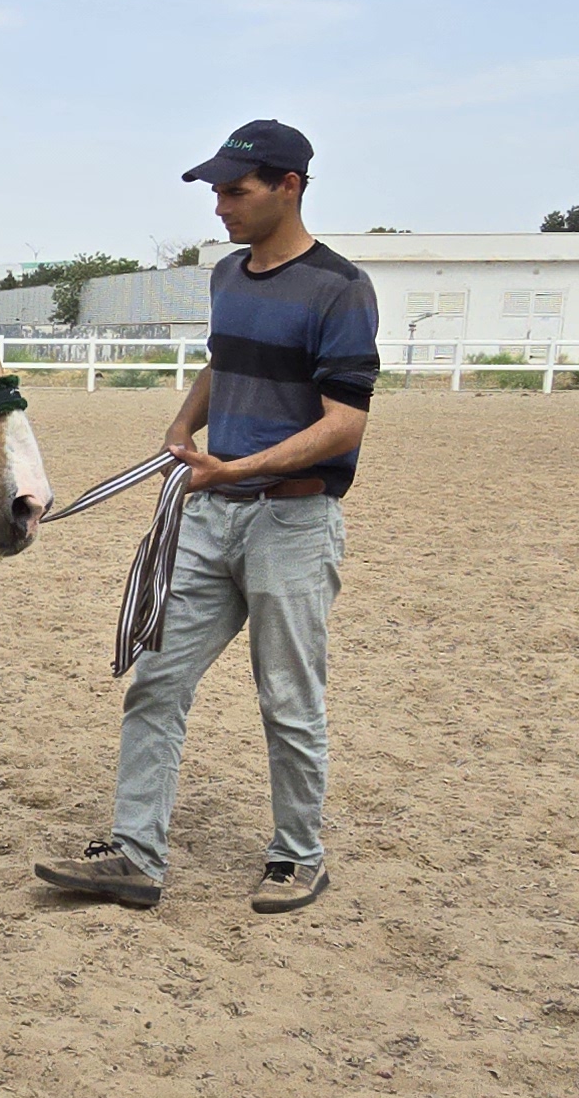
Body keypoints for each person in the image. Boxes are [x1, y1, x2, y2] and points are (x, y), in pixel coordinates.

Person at [35, 120, 377, 916]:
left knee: (288, 699)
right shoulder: (230, 276)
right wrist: (184, 425)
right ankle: (135, 853)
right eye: (217, 191)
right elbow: (225, 363)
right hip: (212, 516)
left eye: (235, 191)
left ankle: (298, 857)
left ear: (289, 186)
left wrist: (238, 468)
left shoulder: (341, 289)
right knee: (156, 681)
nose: (220, 206)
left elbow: (345, 424)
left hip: (292, 522)